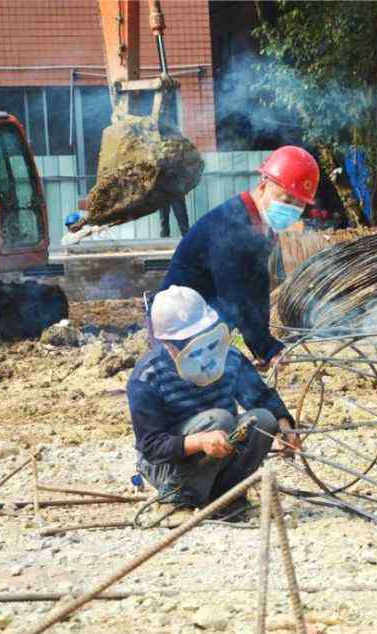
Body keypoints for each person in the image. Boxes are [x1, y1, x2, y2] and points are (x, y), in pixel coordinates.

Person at [128, 285, 301, 525]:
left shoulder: (228, 357)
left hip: (220, 451)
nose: (198, 346)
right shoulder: (148, 376)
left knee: (263, 419)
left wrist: (284, 423)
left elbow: (259, 396)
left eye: (202, 335)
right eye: (187, 341)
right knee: (220, 419)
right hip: (167, 465)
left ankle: (228, 499)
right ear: (167, 343)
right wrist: (198, 442)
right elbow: (151, 446)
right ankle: (176, 500)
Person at [158, 146, 319, 369]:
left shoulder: (263, 227)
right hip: (178, 329)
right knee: (241, 382)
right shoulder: (231, 225)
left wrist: (263, 345)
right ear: (263, 187)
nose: (292, 208)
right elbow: (236, 296)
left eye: (299, 204)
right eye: (287, 199)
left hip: (210, 320)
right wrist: (266, 347)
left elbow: (258, 288)